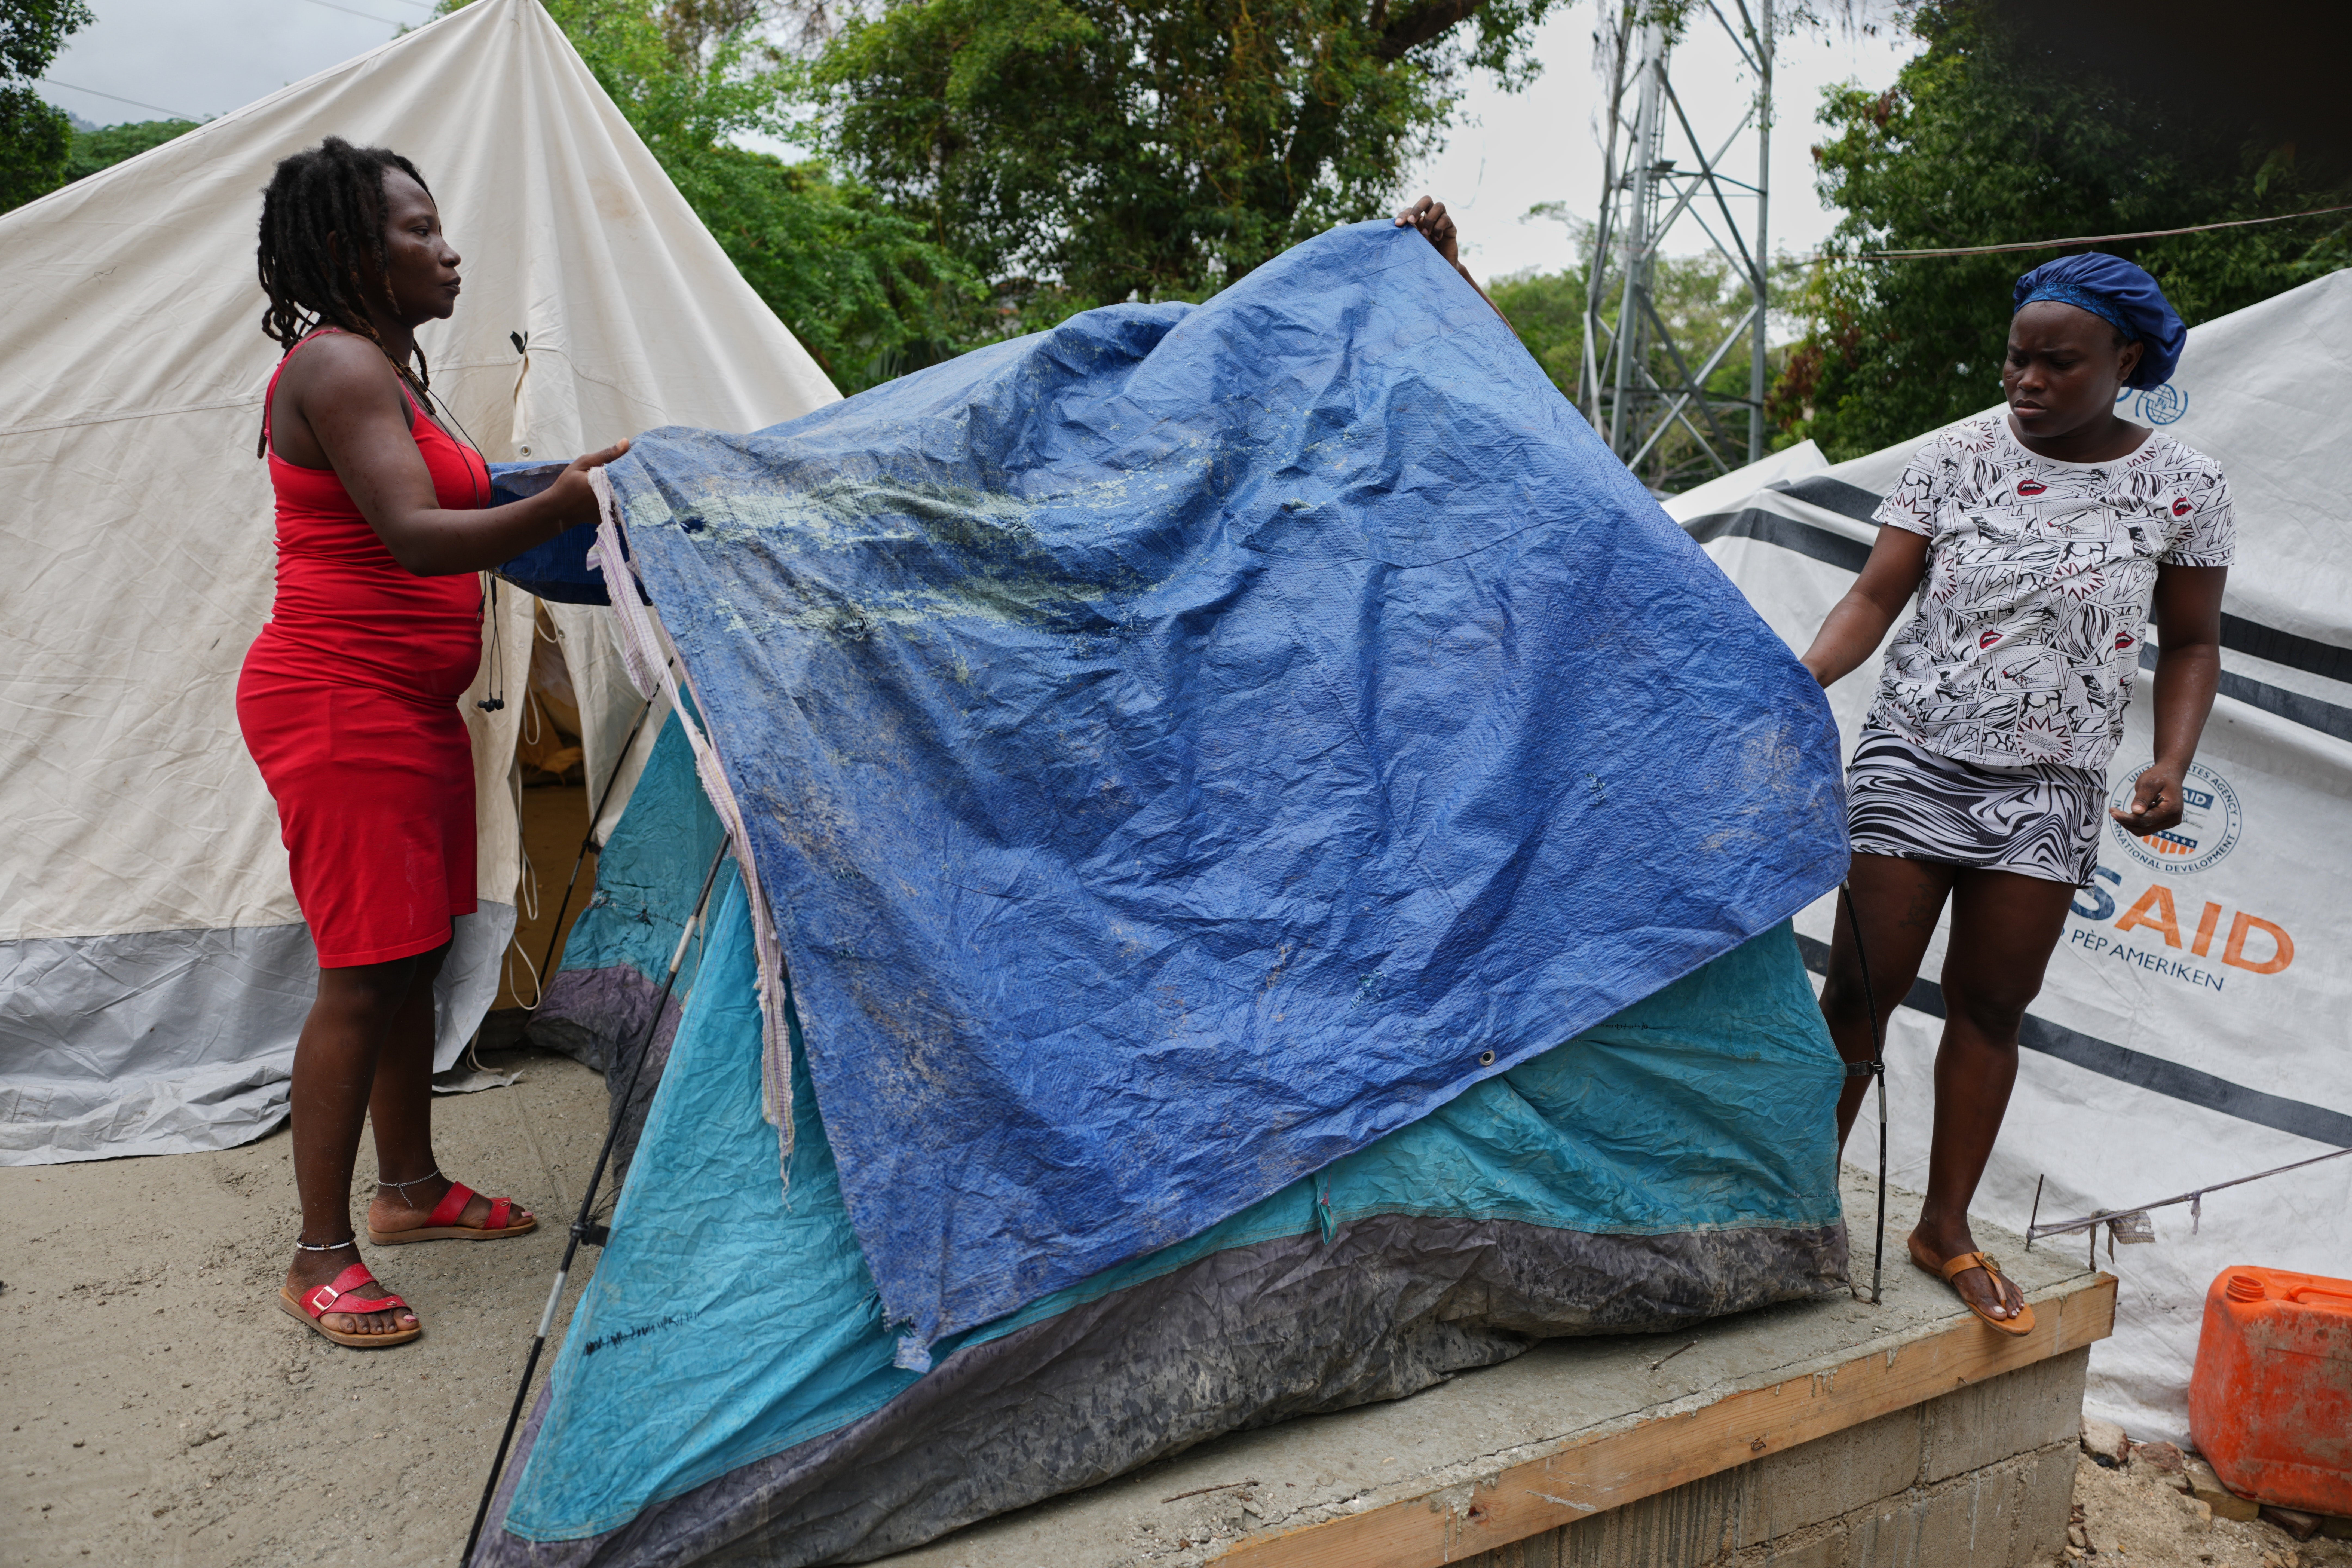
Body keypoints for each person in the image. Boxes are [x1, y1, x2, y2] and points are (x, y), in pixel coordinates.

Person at [241, 137, 629, 1348]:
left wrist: (568, 482)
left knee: (411, 956)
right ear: (352, 249)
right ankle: (319, 1254)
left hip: (401, 709)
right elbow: (416, 535)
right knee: (362, 976)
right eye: (417, 230)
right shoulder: (343, 366)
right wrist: (565, 507)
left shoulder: (393, 371)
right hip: (337, 703)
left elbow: (462, 497)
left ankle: (408, 1189)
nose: (447, 248)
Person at [1802, 253, 2231, 1333]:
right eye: (2015, 356)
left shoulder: (2187, 488)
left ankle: (1944, 1228)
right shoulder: (1955, 459)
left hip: (2052, 787)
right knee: (1861, 992)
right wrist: (1799, 681)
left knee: (1992, 1008)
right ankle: (1790, 1211)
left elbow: (2191, 641)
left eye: (2058, 361)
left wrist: (2171, 760)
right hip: (1916, 761)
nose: (2026, 379)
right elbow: (1874, 594)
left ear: (2126, 359)